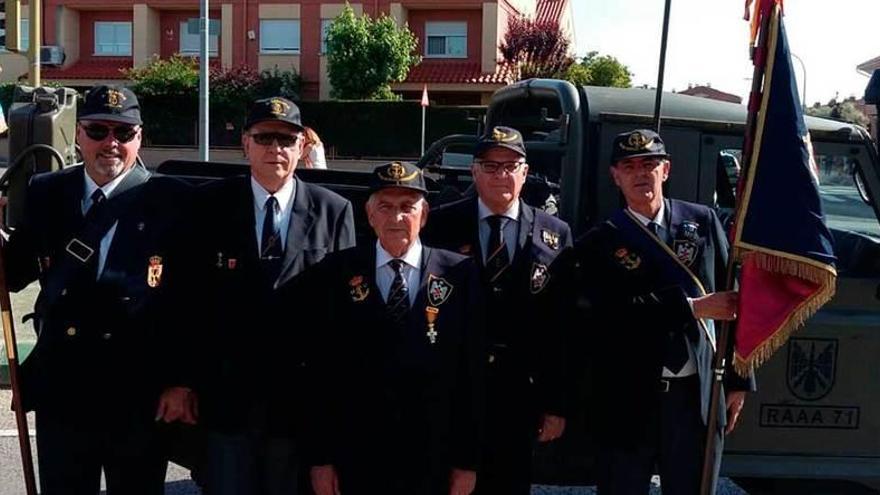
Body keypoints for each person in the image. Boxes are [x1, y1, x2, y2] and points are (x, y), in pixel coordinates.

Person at [0, 84, 192, 495]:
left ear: (140, 137)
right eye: (99, 130)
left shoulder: (171, 199)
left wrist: (181, 382)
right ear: (79, 134)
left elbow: (190, 303)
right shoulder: (48, 192)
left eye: (123, 133)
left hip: (138, 386)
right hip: (65, 383)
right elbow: (12, 274)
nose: (111, 143)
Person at [552, 129, 755, 495]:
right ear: (615, 176)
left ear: (666, 170)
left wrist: (740, 379)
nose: (640, 173)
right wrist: (691, 308)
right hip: (627, 395)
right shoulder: (600, 241)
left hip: (694, 395)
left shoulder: (704, 222)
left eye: (650, 164)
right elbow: (608, 318)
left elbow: (735, 301)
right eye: (629, 166)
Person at [180, 96, 355, 495]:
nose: (275, 149)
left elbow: (342, 316)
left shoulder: (334, 211)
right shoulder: (208, 206)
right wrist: (183, 380)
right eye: (264, 138)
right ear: (245, 143)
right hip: (227, 398)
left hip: (298, 402)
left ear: (302, 147)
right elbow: (188, 302)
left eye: (286, 139)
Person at [308, 161, 486, 495]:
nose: (397, 217)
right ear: (370, 214)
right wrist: (322, 459)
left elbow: (471, 375)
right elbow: (323, 372)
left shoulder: (459, 274)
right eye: (386, 207)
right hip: (358, 455)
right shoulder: (337, 271)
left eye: (408, 207)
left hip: (433, 455)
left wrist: (467, 462)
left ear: (425, 213)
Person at [423, 125, 572, 494]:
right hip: (453, 386)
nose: (501, 175)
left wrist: (556, 403)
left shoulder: (555, 233)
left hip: (519, 392)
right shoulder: (440, 224)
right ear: (474, 171)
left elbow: (563, 327)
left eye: (511, 165)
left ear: (526, 172)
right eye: (490, 166)